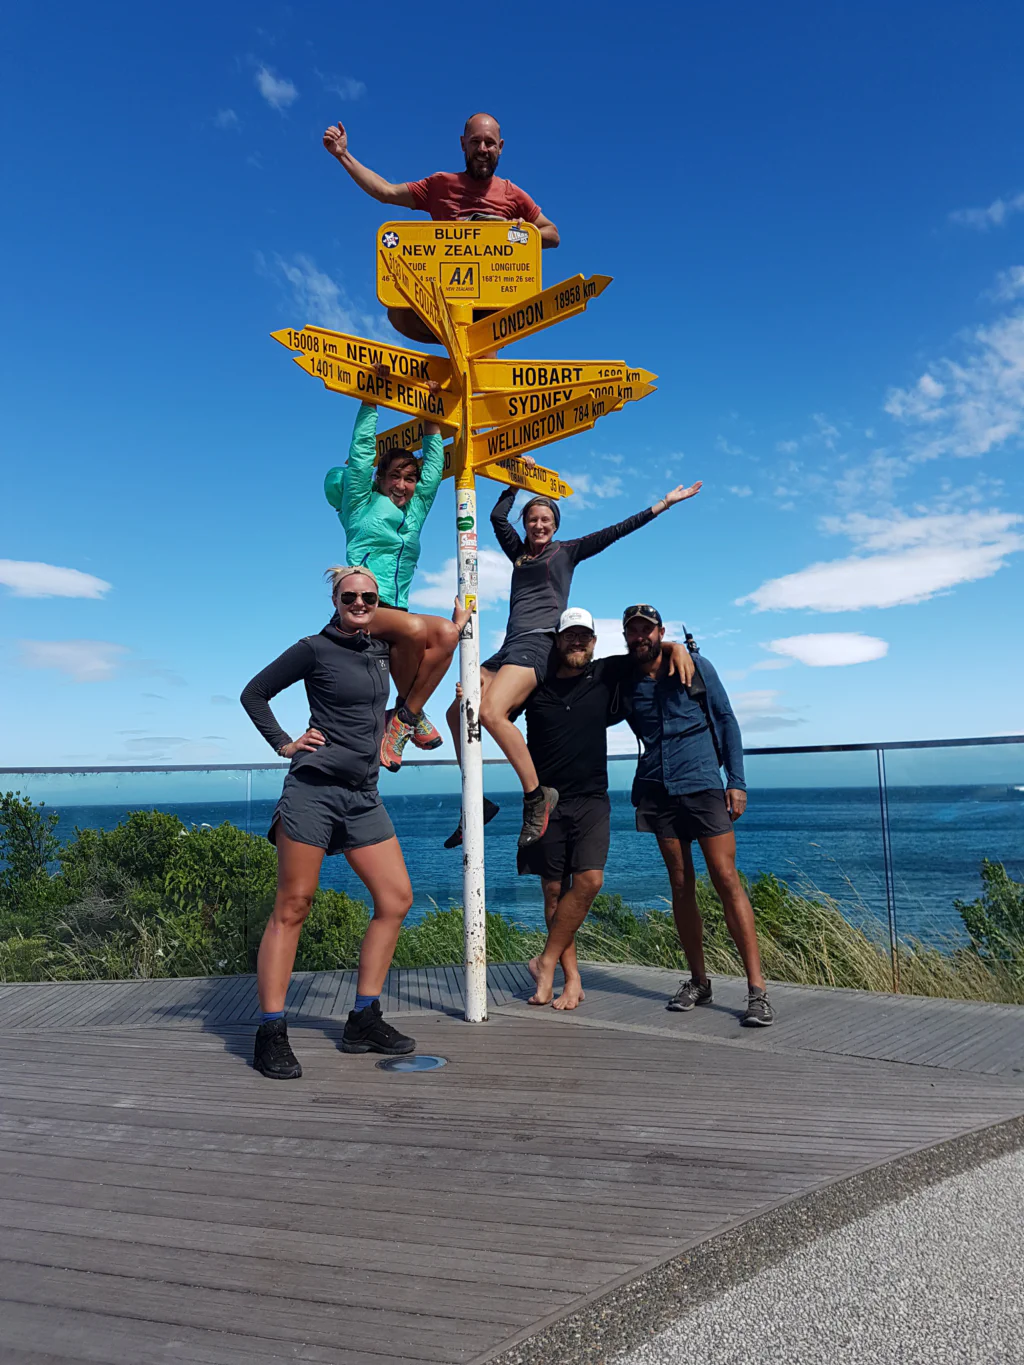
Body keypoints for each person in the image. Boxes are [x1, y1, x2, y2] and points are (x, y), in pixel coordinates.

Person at [240, 567, 450, 1080]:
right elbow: (254, 693)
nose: (359, 602)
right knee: (293, 906)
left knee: (396, 898)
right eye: (349, 596)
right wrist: (285, 744)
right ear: (335, 600)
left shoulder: (382, 648)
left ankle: (363, 1019)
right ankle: (270, 1030)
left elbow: (442, 636)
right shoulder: (313, 648)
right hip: (313, 789)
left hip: (363, 794)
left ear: (378, 601)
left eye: (368, 597)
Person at [444, 478, 703, 850]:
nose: (538, 525)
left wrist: (663, 503)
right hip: (508, 647)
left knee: (490, 713)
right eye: (532, 519)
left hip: (539, 644)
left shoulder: (566, 551)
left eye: (546, 519)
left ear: (556, 525)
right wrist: (514, 484)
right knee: (457, 712)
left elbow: (616, 531)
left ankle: (536, 797)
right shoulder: (519, 555)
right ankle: (477, 800)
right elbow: (498, 518)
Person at [518, 608, 692, 1010]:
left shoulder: (605, 674)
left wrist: (676, 647)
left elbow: (646, 650)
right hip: (545, 801)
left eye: (585, 637)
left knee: (590, 881)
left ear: (594, 642)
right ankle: (570, 980)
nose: (578, 643)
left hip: (592, 799)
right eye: (570, 636)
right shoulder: (534, 686)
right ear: (558, 640)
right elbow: (494, 709)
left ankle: (544, 961)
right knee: (553, 891)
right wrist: (468, 694)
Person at [610, 605, 775, 1027]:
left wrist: (736, 781)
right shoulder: (624, 677)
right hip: (657, 789)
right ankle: (699, 981)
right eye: (634, 632)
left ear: (660, 631)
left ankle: (757, 991)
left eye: (648, 631)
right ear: (626, 636)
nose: (640, 637)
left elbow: (726, 719)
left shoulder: (695, 665)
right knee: (680, 883)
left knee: (725, 878)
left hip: (702, 784)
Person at [324, 369, 460, 772]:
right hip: (364, 609)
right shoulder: (360, 506)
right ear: (379, 480)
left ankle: (402, 718)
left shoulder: (414, 513)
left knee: (449, 633)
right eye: (395, 477)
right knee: (419, 630)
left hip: (397, 612)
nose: (403, 485)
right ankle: (410, 716)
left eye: (409, 478)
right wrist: (371, 398)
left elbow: (433, 474)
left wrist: (433, 418)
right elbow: (362, 452)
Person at [322, 113, 560, 342]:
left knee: (480, 371)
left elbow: (552, 235)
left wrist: (517, 236)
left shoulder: (512, 194)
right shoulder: (440, 185)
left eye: (490, 143)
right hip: (444, 307)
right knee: (402, 314)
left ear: (501, 147)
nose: (483, 149)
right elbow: (385, 191)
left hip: (491, 313)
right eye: (475, 141)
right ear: (462, 144)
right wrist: (342, 155)